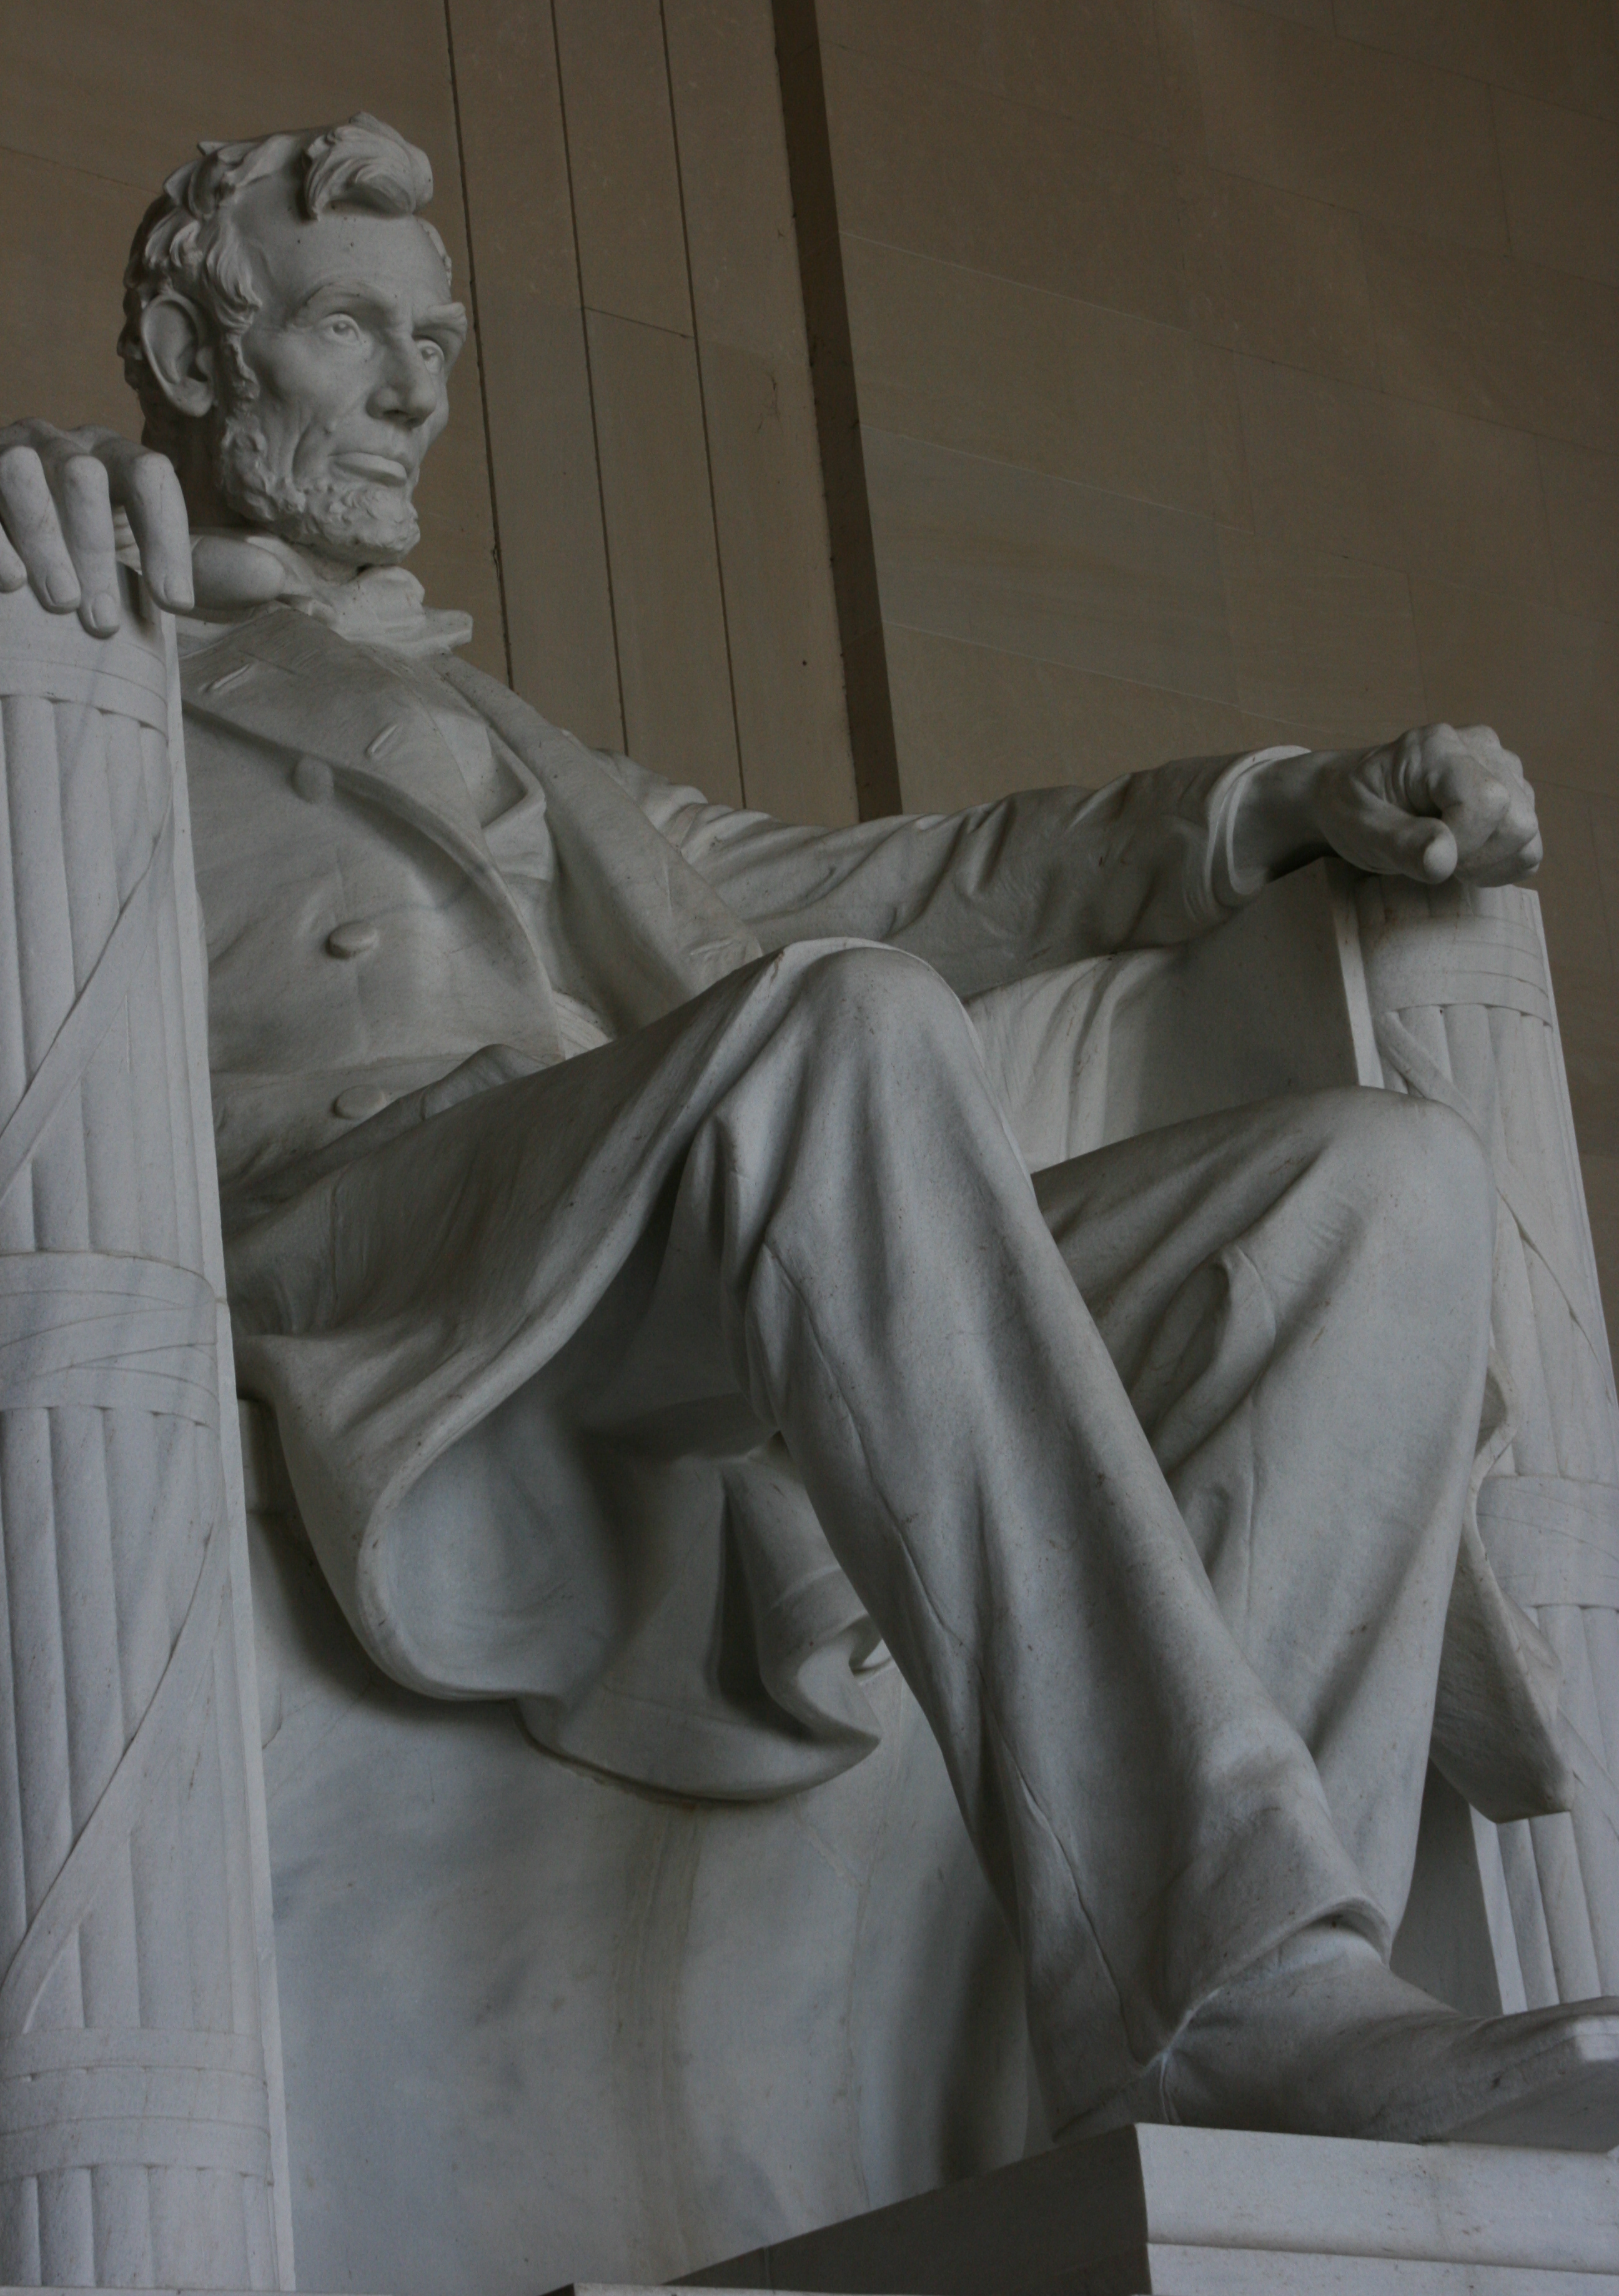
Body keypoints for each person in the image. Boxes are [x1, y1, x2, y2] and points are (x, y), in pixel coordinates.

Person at [4, 114, 1615, 2150]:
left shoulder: (532, 750)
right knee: (841, 1036)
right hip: (361, 1247)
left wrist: (1279, 807)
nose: (415, 391)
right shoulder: (66, 615)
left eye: (440, 342)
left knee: (1374, 1198)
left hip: (652, 1214)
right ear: (192, 352)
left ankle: (1257, 2070)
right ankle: (1238, 1987)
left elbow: (908, 884)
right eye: (349, 329)